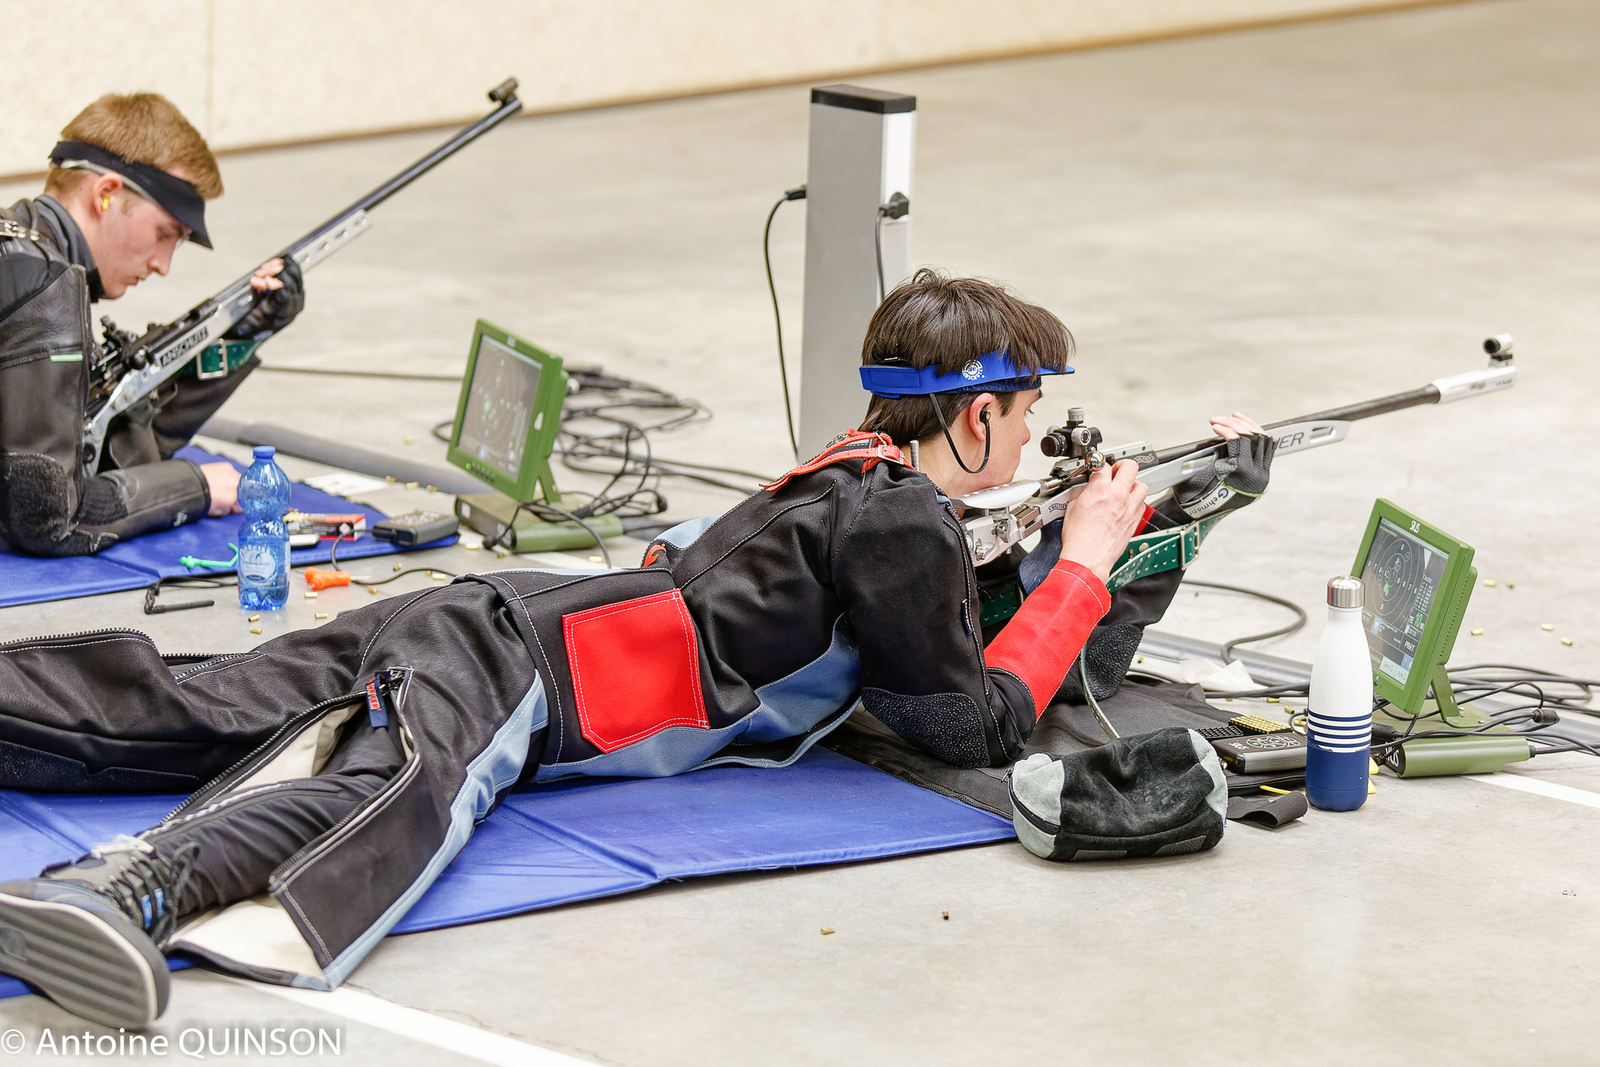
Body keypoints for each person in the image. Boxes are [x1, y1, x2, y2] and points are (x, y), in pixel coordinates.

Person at [0, 270, 1273, 1028]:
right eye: (1031, 410)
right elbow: (971, 717)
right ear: (981, 411)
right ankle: (129, 888)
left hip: (492, 615)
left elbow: (985, 654)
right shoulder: (902, 520)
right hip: (526, 673)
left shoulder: (857, 478)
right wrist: (1086, 560)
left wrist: (1164, 532)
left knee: (179, 702)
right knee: (399, 795)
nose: (1037, 435)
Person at [0, 92, 303, 557]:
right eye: (164, 233)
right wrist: (197, 487)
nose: (163, 264)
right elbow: (49, 518)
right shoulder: (44, 284)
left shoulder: (20, 253)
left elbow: (119, 449)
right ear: (105, 193)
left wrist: (244, 331)